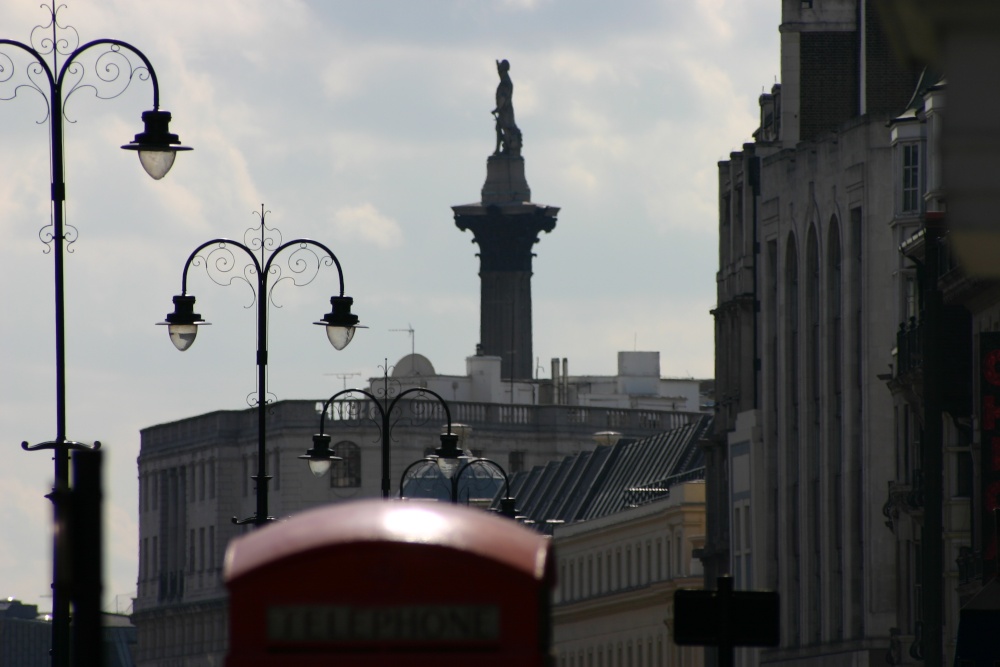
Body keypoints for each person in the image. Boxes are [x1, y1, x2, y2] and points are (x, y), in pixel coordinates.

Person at [492, 59, 521, 155]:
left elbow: (503, 97)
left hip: (505, 111)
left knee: (505, 128)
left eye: (500, 70)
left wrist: (498, 108)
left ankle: (503, 148)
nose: (499, 72)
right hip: (505, 111)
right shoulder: (506, 81)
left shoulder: (505, 82)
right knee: (500, 127)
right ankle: (501, 148)